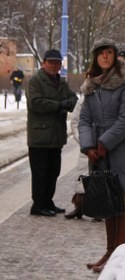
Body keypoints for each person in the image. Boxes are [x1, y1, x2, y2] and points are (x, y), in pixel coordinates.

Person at [79, 38, 125, 273]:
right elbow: (84, 119)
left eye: (109, 53)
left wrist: (104, 142)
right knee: (106, 199)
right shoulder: (91, 86)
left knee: (122, 199)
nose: (105, 57)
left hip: (121, 149)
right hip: (98, 152)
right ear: (95, 57)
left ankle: (119, 252)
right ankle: (109, 251)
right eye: (100, 53)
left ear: (114, 56)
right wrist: (88, 146)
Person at [26, 48, 78, 217]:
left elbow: (74, 100)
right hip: (40, 136)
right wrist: (60, 105)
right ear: (44, 63)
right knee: (40, 172)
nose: (54, 66)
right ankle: (38, 205)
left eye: (57, 62)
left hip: (56, 136)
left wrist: (66, 103)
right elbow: (36, 103)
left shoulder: (61, 82)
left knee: (53, 171)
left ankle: (48, 201)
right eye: (51, 62)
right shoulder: (35, 81)